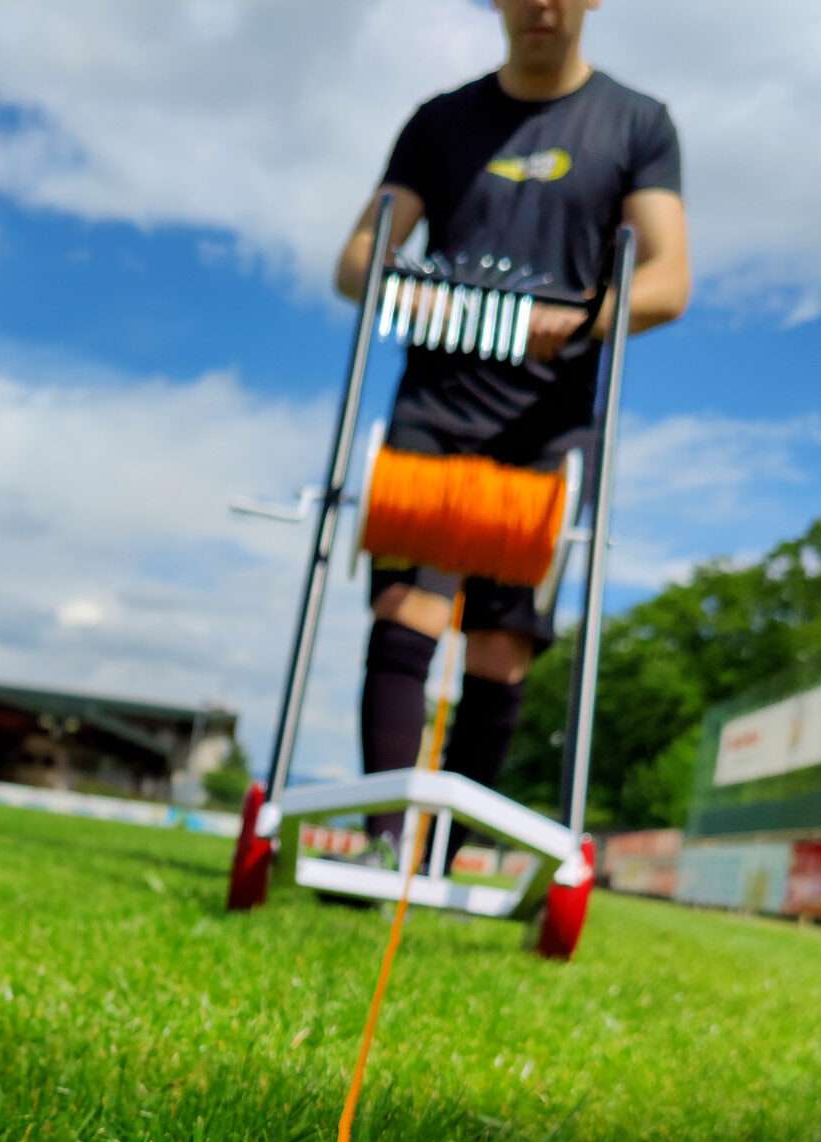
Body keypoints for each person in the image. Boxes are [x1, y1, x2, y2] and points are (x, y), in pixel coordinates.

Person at [335, 0, 690, 855]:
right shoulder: (440, 122)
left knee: (501, 645)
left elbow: (669, 281)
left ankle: (451, 856)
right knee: (406, 608)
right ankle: (385, 843)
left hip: (551, 423)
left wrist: (590, 318)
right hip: (435, 409)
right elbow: (356, 261)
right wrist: (400, 287)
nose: (540, 7)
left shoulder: (638, 124)